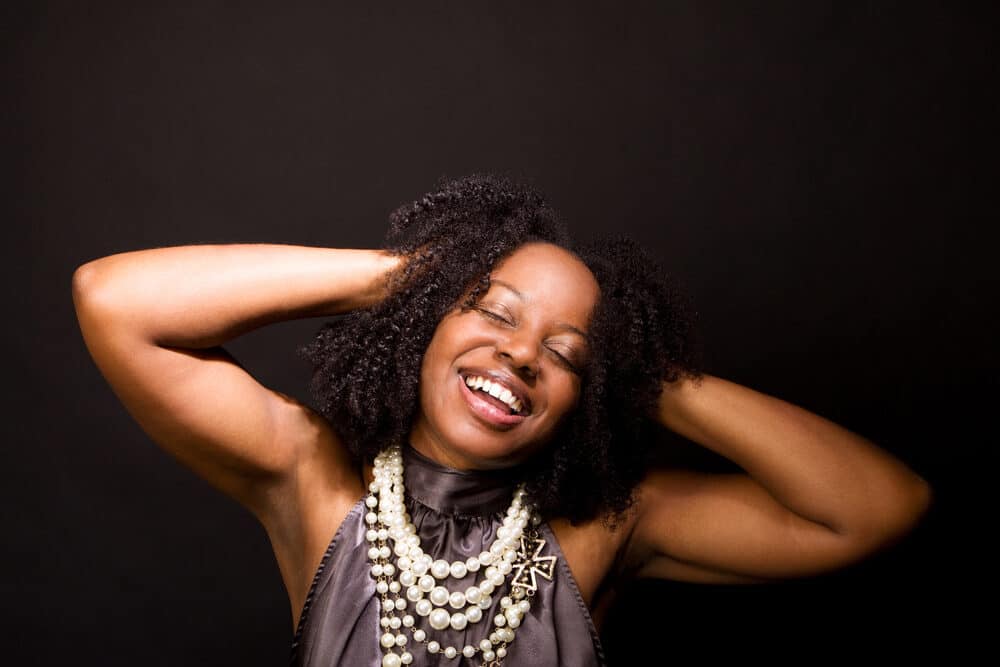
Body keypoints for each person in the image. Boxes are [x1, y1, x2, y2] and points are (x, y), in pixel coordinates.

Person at [72, 173, 932, 666]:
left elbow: (877, 506)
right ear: (426, 325)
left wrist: (640, 368)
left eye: (566, 355)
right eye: (491, 312)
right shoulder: (315, 479)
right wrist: (408, 276)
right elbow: (114, 301)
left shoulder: (612, 527)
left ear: (586, 400)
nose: (522, 355)